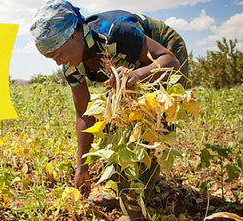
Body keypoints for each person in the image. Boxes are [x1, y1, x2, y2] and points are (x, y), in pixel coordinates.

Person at [30, 0, 188, 220]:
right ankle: (124, 191)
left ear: (73, 35)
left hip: (163, 53)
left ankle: (135, 209)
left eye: (58, 54)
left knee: (149, 126)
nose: (58, 63)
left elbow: (170, 61)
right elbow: (84, 115)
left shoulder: (115, 32)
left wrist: (138, 75)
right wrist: (81, 166)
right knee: (112, 123)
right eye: (53, 58)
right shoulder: (72, 67)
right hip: (131, 71)